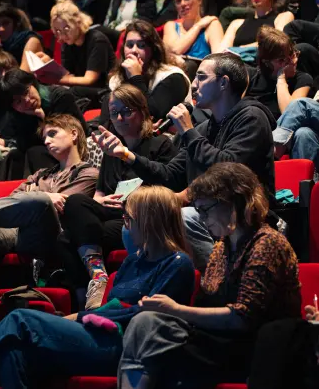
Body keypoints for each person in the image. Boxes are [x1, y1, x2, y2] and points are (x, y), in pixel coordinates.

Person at [0, 185, 195, 389]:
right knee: (13, 349)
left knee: (21, 318)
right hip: (100, 334)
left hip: (126, 345)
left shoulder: (178, 264)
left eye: (129, 219)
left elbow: (151, 315)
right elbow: (117, 307)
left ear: (150, 222)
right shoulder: (133, 261)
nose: (125, 226)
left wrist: (80, 317)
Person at [119, 162, 301, 389]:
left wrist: (175, 310)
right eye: (198, 210)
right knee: (145, 324)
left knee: (149, 332)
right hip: (218, 340)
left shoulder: (267, 243)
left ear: (233, 202)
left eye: (206, 209)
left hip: (253, 348)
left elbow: (243, 318)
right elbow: (207, 303)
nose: (202, 218)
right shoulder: (222, 247)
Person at [96, 53, 276, 272]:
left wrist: (189, 131)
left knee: (185, 217)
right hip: (207, 209)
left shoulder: (252, 118)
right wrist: (126, 154)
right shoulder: (204, 129)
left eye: (201, 77)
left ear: (223, 83)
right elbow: (170, 174)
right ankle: (153, 291)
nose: (193, 84)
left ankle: (220, 283)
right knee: (135, 223)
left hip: (242, 212)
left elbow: (229, 170)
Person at [60, 83, 178, 310]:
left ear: (142, 112)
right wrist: (98, 200)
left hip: (141, 217)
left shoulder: (160, 144)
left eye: (127, 111)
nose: (120, 118)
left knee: (68, 238)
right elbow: (101, 191)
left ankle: (88, 300)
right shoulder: (112, 152)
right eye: (115, 113)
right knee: (75, 207)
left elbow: (168, 182)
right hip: (112, 212)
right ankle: (89, 294)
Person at [0, 114, 98, 285]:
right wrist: (44, 195)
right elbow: (13, 201)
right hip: (12, 232)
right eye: (45, 137)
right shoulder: (41, 173)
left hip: (48, 235)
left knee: (40, 202)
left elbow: (63, 204)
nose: (46, 141)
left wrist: (41, 194)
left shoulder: (88, 173)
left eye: (52, 134)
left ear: (74, 134)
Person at [0, 69, 88, 179]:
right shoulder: (18, 114)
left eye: (26, 92)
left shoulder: (61, 97)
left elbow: (72, 135)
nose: (27, 100)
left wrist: (43, 119)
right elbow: (23, 144)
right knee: (14, 156)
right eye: (19, 101)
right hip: (45, 154)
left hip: (73, 150)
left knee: (35, 152)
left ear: (33, 84)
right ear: (13, 107)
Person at [97, 19, 192, 124]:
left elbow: (151, 114)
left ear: (154, 49)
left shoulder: (173, 76)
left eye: (141, 45)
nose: (134, 50)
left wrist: (135, 77)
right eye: (129, 45)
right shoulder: (116, 79)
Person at [37, 0, 116, 106]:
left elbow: (89, 80)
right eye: (58, 31)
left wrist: (56, 79)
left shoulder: (97, 40)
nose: (62, 35)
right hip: (82, 89)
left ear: (78, 22)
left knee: (72, 92)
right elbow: (68, 75)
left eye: (66, 28)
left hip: (104, 91)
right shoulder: (67, 43)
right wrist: (48, 64)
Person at [163, 0, 224, 80]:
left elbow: (219, 62)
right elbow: (175, 49)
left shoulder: (212, 25)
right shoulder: (171, 26)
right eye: (178, 1)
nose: (182, 4)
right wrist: (198, 26)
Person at [247, 25, 312, 120]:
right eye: (282, 60)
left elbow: (290, 115)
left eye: (292, 54)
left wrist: (281, 78)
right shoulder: (252, 76)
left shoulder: (302, 79)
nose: (292, 61)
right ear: (266, 62)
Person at [0, 4, 43, 72]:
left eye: (6, 23)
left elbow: (21, 78)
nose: (1, 29)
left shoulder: (31, 41)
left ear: (16, 24)